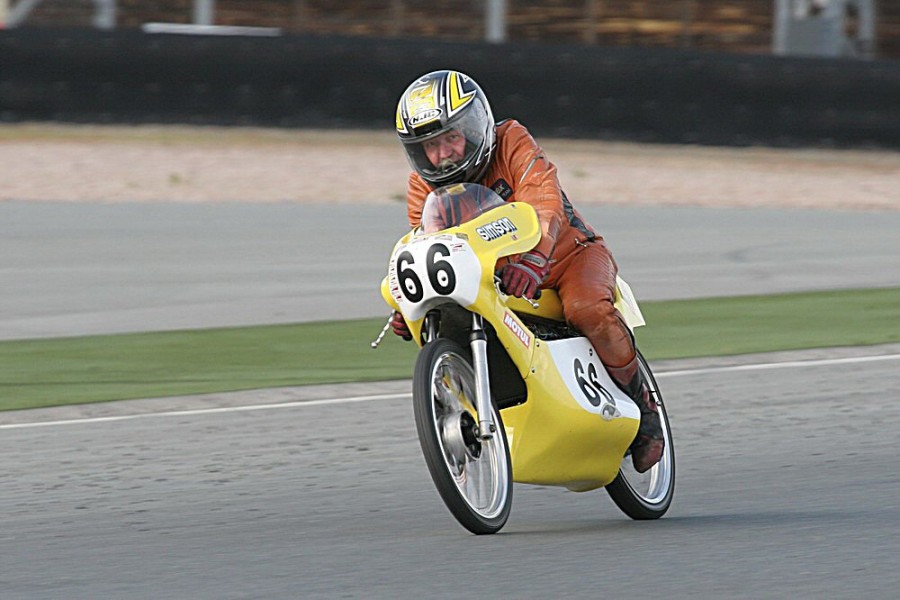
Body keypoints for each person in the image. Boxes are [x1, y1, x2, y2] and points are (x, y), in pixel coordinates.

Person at [390, 69, 663, 473]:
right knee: (449, 320)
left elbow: (544, 200)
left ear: (475, 125)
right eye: (429, 145)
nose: (443, 153)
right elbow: (427, 246)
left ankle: (645, 409)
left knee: (587, 309)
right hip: (500, 282)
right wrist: (408, 299)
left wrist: (535, 258)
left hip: (569, 259)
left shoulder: (512, 140)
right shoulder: (421, 186)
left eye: (450, 137)